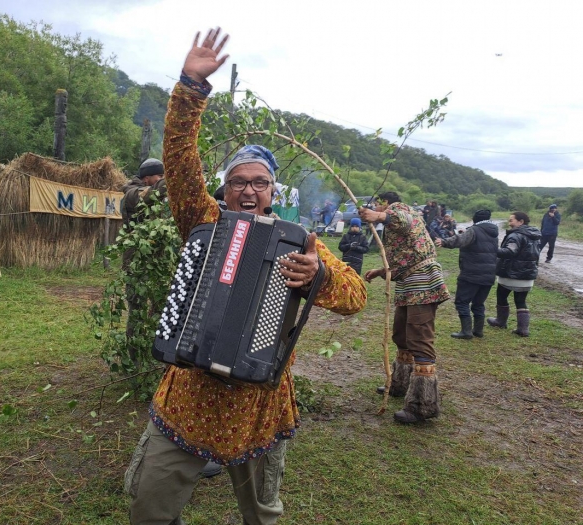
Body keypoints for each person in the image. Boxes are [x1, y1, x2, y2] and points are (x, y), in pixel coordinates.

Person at [124, 28, 367, 525]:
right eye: (238, 181)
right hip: (189, 399)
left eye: (260, 182)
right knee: (149, 508)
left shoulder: (302, 243)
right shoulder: (205, 222)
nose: (249, 190)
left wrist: (317, 275)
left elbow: (356, 296)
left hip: (261, 405)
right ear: (225, 189)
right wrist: (191, 87)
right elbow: (179, 161)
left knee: (262, 516)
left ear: (273, 190)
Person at [359, 191, 450, 424]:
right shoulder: (393, 220)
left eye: (378, 205)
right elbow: (405, 257)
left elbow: (402, 219)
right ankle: (400, 383)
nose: (377, 209)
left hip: (423, 284)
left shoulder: (402, 210)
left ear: (385, 202)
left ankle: (422, 403)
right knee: (402, 335)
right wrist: (381, 272)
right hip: (408, 287)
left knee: (419, 339)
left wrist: (377, 216)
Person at [121, 158, 168, 363]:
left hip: (156, 260)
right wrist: (176, 174)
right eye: (159, 177)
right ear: (147, 178)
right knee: (137, 310)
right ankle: (135, 360)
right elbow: (156, 192)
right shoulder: (131, 194)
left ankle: (155, 354)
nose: (162, 181)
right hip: (136, 262)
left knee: (160, 307)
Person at [434, 210, 498, 339]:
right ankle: (478, 330)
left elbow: (460, 240)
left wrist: (444, 242)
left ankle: (466, 332)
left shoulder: (474, 230)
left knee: (462, 302)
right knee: (478, 303)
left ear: (475, 219)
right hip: (489, 274)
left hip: (472, 273)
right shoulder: (493, 233)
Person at [487, 211, 541, 337]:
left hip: (511, 273)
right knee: (521, 300)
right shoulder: (534, 235)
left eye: (511, 220)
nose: (509, 223)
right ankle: (523, 329)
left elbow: (510, 251)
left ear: (521, 222)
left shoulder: (516, 235)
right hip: (528, 273)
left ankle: (501, 321)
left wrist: (493, 250)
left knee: (501, 296)